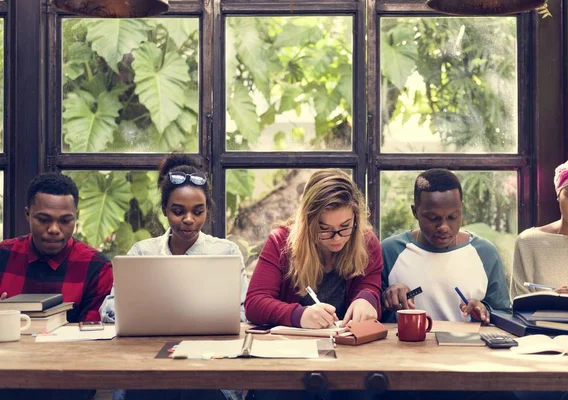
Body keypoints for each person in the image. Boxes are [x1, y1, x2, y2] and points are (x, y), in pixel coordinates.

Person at [100, 154, 248, 400]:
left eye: (197, 211)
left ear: (207, 211)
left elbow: (242, 312)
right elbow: (107, 310)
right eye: (178, 211)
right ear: (165, 210)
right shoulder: (142, 252)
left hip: (208, 365)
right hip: (148, 363)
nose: (188, 220)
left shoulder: (225, 252)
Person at [245, 169, 382, 400]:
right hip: (289, 358)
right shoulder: (281, 241)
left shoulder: (366, 242)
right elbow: (255, 303)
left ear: (356, 218)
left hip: (348, 359)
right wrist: (299, 315)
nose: (337, 237)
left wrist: (367, 299)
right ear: (307, 221)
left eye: (345, 226)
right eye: (324, 229)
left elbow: (371, 286)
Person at [0, 172, 113, 400]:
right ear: (27, 215)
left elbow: (93, 340)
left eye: (65, 220)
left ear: (75, 218)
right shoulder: (3, 255)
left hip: (67, 384)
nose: (54, 229)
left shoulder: (96, 267)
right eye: (43, 219)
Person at [381, 169, 511, 324]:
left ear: (462, 209)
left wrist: (485, 310)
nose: (443, 227)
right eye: (433, 218)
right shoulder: (390, 251)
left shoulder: (485, 253)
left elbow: (504, 315)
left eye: (452, 217)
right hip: (404, 347)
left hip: (468, 347)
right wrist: (386, 298)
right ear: (415, 211)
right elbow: (369, 312)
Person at [510, 155, 568, 310]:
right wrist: (547, 302)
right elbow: (518, 308)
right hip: (543, 333)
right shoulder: (528, 243)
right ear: (559, 194)